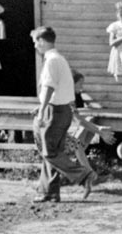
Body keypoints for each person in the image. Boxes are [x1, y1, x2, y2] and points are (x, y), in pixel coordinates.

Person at [31, 27, 97, 203]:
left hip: (55, 111)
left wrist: (42, 108)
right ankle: (49, 192)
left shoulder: (52, 61)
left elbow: (49, 87)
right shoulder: (60, 59)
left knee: (49, 152)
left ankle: (84, 175)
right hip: (63, 110)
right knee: (54, 152)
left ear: (43, 41)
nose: (35, 46)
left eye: (36, 42)